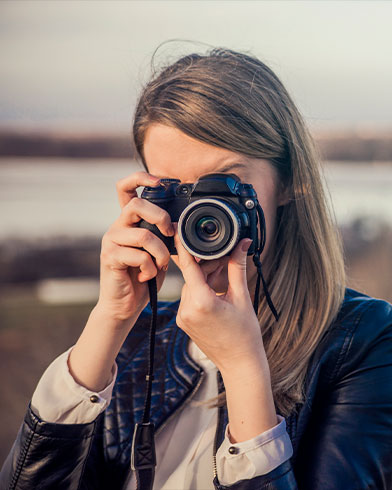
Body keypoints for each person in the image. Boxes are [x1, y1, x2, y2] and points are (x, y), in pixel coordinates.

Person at [1, 48, 392, 490]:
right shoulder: (138, 342)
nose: (199, 214)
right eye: (175, 189)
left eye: (225, 182)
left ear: (290, 181)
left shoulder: (366, 343)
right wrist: (108, 322)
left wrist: (244, 367)